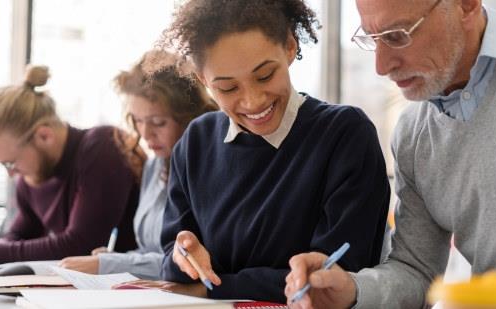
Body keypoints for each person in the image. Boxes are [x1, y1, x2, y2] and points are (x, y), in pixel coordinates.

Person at [285, 0, 496, 308]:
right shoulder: (413, 137)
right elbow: (416, 270)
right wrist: (352, 290)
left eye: (397, 35)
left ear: (466, 5)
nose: (381, 66)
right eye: (373, 39)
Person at [125, 0, 391, 303]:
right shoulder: (195, 142)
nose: (252, 101)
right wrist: (183, 257)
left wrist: (216, 287)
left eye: (265, 76)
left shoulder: (344, 135)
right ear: (203, 79)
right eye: (228, 88)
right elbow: (172, 263)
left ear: (290, 47)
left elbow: (333, 278)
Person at [59, 50, 218, 279]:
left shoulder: (208, 170)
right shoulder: (154, 168)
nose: (145, 133)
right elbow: (150, 252)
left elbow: (189, 262)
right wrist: (114, 259)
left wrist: (113, 263)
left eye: (158, 122)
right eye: (137, 120)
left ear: (188, 118)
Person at [0, 65, 142, 265]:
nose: (11, 173)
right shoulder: (31, 177)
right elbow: (20, 236)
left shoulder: (104, 146)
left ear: (44, 136)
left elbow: (80, 245)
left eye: (11, 162)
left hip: (143, 285)